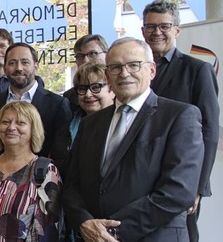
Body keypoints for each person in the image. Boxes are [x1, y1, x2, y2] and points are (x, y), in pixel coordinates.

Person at [62, 37, 204, 241]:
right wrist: (84, 222)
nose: (124, 73)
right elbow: (72, 185)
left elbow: (178, 191)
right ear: (107, 76)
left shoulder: (180, 117)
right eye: (115, 67)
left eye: (133, 65)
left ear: (152, 70)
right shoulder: (91, 123)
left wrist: (111, 231)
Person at [141, 0, 219, 242]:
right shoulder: (133, 70)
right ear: (142, 31)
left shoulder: (197, 70)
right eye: (151, 27)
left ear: (177, 29)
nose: (157, 32)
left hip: (180, 178)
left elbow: (209, 130)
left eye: (164, 26)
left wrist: (198, 187)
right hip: (140, 177)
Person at [0, 101, 62, 241]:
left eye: (20, 123)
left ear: (33, 129)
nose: (11, 127)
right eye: (6, 122)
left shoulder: (45, 171)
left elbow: (48, 232)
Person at [0, 42, 72, 157]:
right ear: (5, 69)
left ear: (36, 66)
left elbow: (61, 154)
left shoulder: (57, 104)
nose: (19, 68)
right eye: (12, 63)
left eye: (25, 62)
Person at [51, 62, 114, 178]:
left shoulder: (123, 126)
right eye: (82, 88)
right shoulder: (65, 128)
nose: (88, 94)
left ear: (112, 88)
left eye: (95, 87)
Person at [62, 34, 108, 114]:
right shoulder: (69, 97)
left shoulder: (120, 88)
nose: (86, 60)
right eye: (80, 56)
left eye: (92, 54)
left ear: (106, 55)